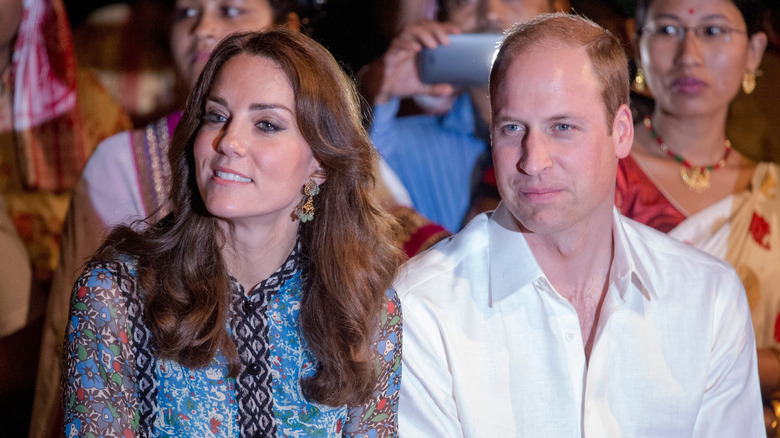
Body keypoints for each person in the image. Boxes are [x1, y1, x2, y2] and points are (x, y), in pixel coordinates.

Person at [397, 13, 763, 436]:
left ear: (621, 131)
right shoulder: (422, 307)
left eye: (563, 127)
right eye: (513, 128)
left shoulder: (709, 297)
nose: (533, 161)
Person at [61, 28, 404, 437]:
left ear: (320, 163)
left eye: (267, 124)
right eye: (217, 116)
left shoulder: (365, 308)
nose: (229, 142)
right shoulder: (117, 294)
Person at [28, 1, 302, 436]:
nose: (203, 28)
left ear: (286, 26)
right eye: (186, 12)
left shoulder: (311, 154)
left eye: (231, 11)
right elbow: (72, 339)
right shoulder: (118, 164)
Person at [614, 0, 780, 415]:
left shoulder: (772, 195)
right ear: (636, 43)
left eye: (712, 31)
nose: (689, 56)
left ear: (755, 52)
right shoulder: (599, 175)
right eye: (668, 31)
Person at [359, 0, 569, 232]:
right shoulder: (398, 146)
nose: (491, 13)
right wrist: (378, 89)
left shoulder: (602, 135)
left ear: (557, 10)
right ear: (442, 19)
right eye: (465, 1)